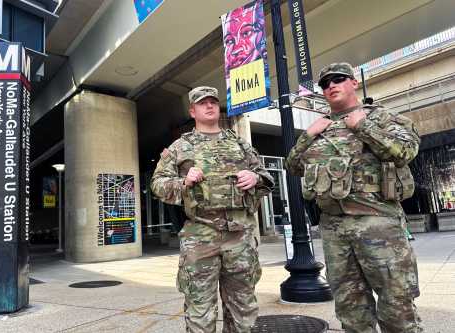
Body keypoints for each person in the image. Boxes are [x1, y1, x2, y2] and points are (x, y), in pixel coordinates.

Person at [285, 63, 422, 333]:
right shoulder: (320, 127)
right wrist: (307, 136)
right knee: (350, 309)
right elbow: (293, 166)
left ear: (353, 83)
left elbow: (406, 151)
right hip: (335, 229)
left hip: (379, 224)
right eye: (325, 83)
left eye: (338, 79)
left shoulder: (382, 117)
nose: (331, 86)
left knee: (397, 306)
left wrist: (363, 126)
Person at [151, 86, 274, 332]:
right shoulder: (180, 147)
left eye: (213, 102)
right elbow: (157, 185)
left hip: (240, 236)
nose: (209, 106)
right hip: (200, 236)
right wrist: (183, 182)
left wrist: (254, 177)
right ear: (192, 110)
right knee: (200, 310)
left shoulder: (239, 143)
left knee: (243, 308)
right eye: (202, 102)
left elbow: (266, 179)